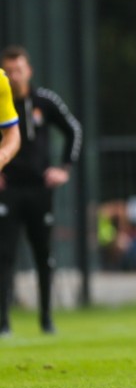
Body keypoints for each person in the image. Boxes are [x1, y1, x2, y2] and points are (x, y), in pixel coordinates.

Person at [0, 46, 82, 335]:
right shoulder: (1, 97)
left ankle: (46, 319)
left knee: (43, 254)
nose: (13, 77)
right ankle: (3, 324)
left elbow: (73, 128)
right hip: (7, 189)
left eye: (18, 70)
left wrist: (64, 168)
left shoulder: (44, 101)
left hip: (38, 190)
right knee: (4, 255)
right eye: (8, 72)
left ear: (28, 71)